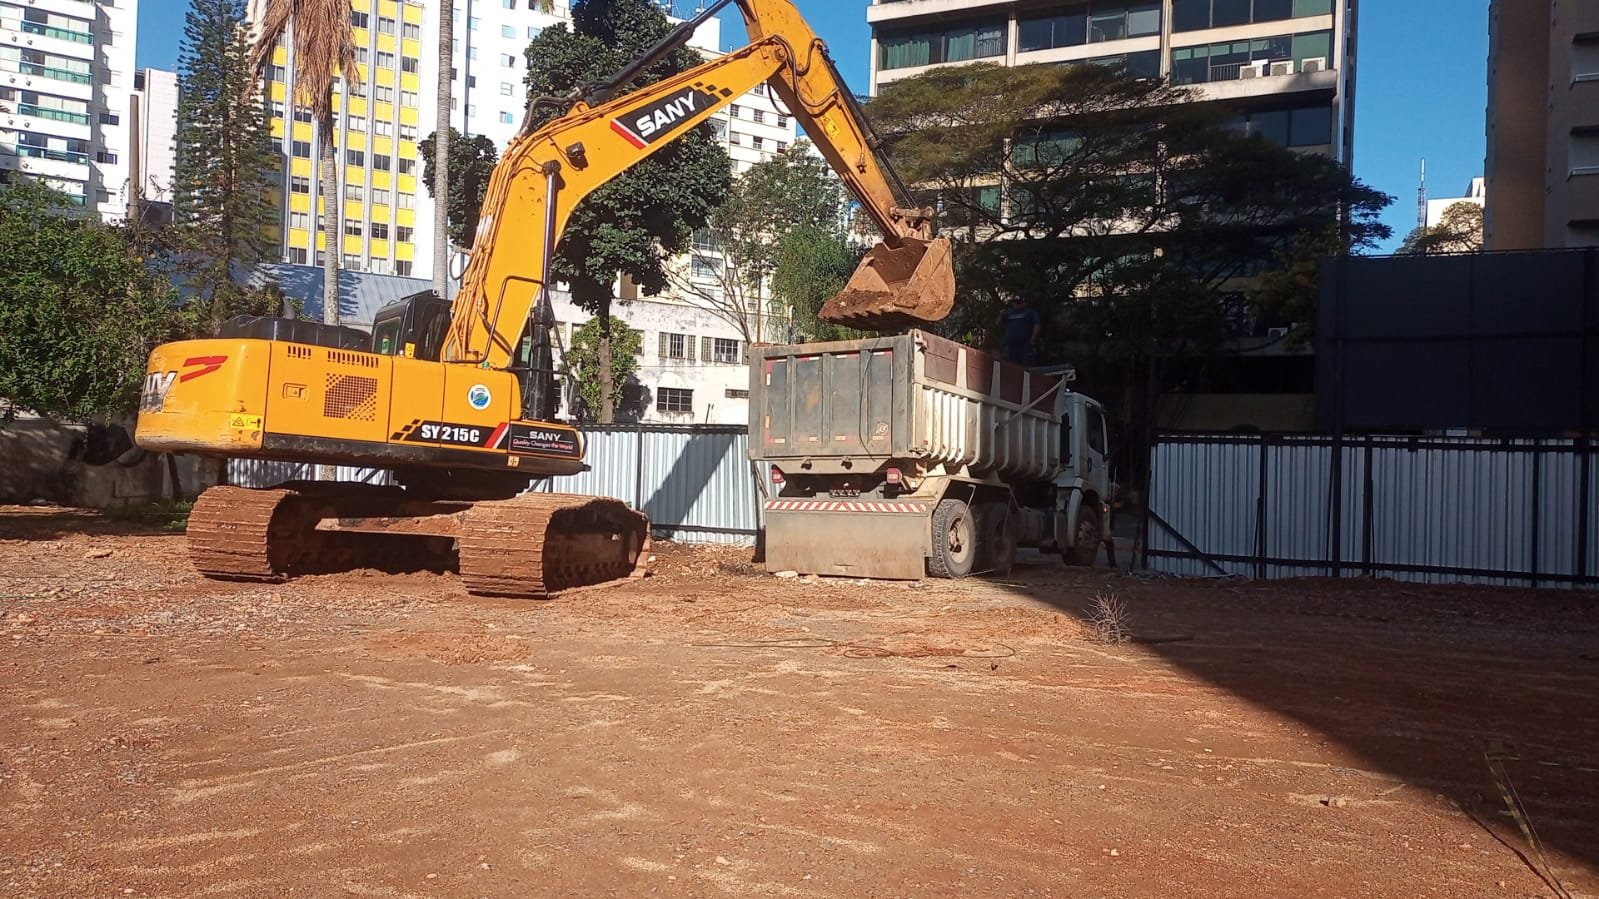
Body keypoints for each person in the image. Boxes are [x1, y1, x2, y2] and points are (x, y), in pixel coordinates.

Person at [999, 295, 1041, 366]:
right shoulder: (1008, 313)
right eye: (1015, 303)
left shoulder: (1030, 312)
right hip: (1011, 345)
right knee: (1010, 365)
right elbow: (998, 324)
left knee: (1026, 365)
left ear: (1024, 303)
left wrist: (1033, 339)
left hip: (1024, 344)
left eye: (1019, 303)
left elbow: (1037, 324)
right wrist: (1001, 315)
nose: (1016, 305)